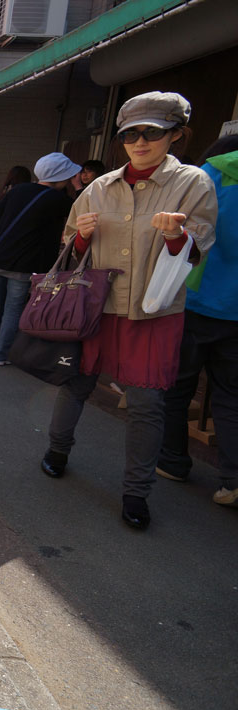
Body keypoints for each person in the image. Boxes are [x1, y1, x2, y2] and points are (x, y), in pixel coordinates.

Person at [39, 91, 217, 530]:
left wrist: (177, 235)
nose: (140, 142)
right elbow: (69, 246)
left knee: (146, 402)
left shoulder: (192, 183)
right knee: (75, 383)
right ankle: (56, 450)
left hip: (152, 311)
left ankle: (136, 492)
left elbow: (200, 247)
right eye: (130, 134)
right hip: (93, 305)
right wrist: (79, 237)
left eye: (152, 132)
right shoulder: (99, 186)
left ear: (175, 134)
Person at [157, 133, 238, 507]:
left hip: (194, 298)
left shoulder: (202, 177)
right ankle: (233, 481)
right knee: (231, 396)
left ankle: (173, 461)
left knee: (178, 386)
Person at [0, 152, 78, 365]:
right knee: (12, 309)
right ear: (62, 176)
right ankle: (0, 356)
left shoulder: (17, 190)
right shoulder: (58, 200)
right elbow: (80, 207)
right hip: (23, 264)